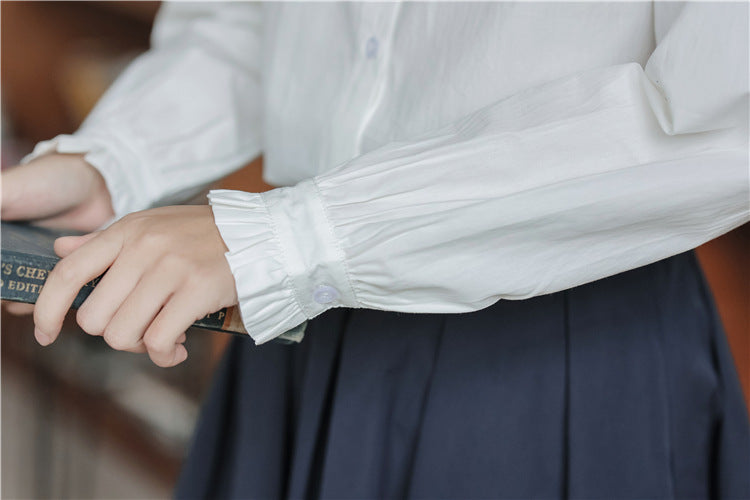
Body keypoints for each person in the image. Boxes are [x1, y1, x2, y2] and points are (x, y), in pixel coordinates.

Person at [2, 2, 749, 498]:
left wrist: (298, 237)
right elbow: (248, 20)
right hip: (296, 330)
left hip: (554, 360)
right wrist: (115, 163)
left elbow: (720, 118)